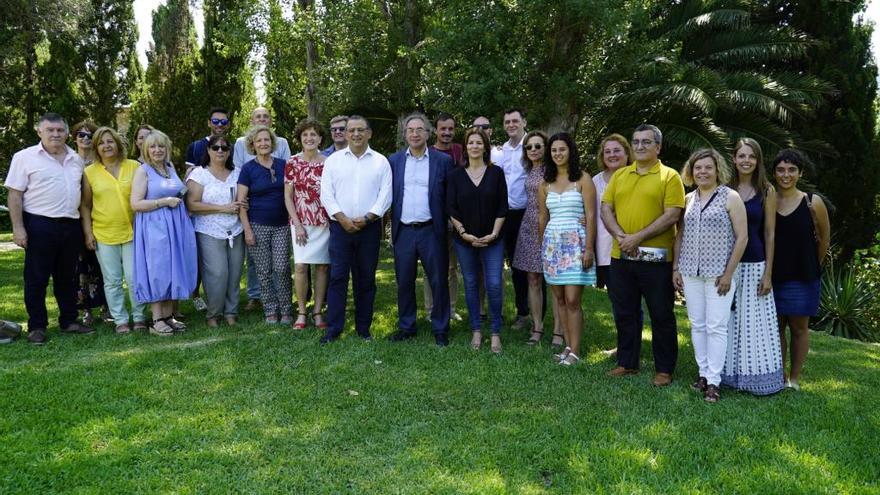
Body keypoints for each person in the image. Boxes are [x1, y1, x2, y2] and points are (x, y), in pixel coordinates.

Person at [601, 124, 685, 386]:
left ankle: (664, 369)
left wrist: (637, 237)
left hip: (656, 258)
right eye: (636, 141)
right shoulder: (620, 175)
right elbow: (606, 208)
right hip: (622, 256)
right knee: (624, 311)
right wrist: (621, 237)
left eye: (646, 142)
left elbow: (672, 214)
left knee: (661, 314)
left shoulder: (670, 177)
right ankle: (627, 363)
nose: (639, 146)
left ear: (658, 147)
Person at [5, 113, 94, 344]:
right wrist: (18, 228)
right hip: (39, 224)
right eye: (50, 130)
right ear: (40, 132)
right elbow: (15, 194)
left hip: (70, 225)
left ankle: (69, 320)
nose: (55, 134)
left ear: (66, 133)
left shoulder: (76, 159)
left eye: (60, 130)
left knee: (68, 278)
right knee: (36, 278)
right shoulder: (24, 157)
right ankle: (37, 326)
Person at [672, 149, 748, 402]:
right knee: (698, 324)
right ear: (691, 172)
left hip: (719, 275)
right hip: (691, 272)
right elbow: (680, 235)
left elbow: (742, 238)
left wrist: (729, 273)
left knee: (716, 327)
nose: (702, 172)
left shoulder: (730, 197)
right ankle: (703, 373)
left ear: (717, 170)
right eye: (698, 168)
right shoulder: (689, 198)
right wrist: (676, 268)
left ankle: (714, 381)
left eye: (708, 167)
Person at [319, 115, 392, 343]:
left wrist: (368, 218)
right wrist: (342, 219)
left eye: (361, 130)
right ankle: (334, 330)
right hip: (340, 228)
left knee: (366, 279)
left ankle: (363, 329)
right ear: (346, 133)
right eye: (352, 130)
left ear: (369, 133)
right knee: (338, 278)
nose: (356, 134)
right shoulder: (333, 161)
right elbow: (326, 194)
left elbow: (385, 195)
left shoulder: (381, 162)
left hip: (369, 229)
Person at [722, 138, 784, 395]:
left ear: (758, 161)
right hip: (727, 265)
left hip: (755, 264)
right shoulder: (724, 188)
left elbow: (770, 234)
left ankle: (756, 376)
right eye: (741, 156)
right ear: (734, 159)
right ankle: (725, 375)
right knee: (727, 320)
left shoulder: (767, 191)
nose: (746, 161)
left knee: (755, 322)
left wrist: (768, 272)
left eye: (751, 156)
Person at [388, 112, 454, 346]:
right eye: (410, 130)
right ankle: (407, 326)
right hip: (404, 230)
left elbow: (449, 197)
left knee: (438, 280)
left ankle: (440, 327)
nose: (414, 134)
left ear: (428, 133)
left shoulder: (443, 161)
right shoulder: (394, 161)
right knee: (404, 280)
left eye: (419, 130)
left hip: (431, 230)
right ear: (405, 134)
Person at [772, 149, 830, 391]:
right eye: (781, 170)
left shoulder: (812, 201)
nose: (786, 175)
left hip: (803, 276)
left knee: (798, 328)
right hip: (772, 276)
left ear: (800, 173)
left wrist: (812, 265)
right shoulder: (768, 199)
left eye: (792, 170)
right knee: (775, 330)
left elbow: (824, 239)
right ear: (774, 173)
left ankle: (793, 379)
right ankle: (778, 375)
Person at [80, 126, 147, 334]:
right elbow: (85, 205)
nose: (106, 146)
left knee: (135, 277)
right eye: (101, 143)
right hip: (103, 233)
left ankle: (139, 316)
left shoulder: (134, 166)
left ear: (117, 143)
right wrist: (88, 233)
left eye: (110, 141)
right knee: (112, 280)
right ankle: (120, 320)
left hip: (133, 231)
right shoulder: (90, 172)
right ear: (96, 148)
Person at [130, 130, 197, 336]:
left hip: (175, 225)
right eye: (152, 146)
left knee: (172, 269)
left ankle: (169, 316)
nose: (157, 150)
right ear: (145, 149)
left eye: (161, 146)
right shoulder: (143, 171)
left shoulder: (169, 168)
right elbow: (135, 203)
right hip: (154, 227)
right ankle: (157, 319)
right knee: (158, 271)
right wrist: (163, 202)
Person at [538, 133, 597, 366]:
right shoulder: (545, 183)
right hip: (552, 247)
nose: (558, 154)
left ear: (570, 151)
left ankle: (576, 351)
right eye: (553, 150)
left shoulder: (582, 178)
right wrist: (543, 248)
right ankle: (567, 347)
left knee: (573, 299)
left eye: (562, 149)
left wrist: (589, 248)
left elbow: (591, 215)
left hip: (577, 245)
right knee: (559, 298)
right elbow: (543, 217)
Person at [447, 127, 508, 353]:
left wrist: (493, 234)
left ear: (485, 147)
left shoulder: (497, 173)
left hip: (494, 239)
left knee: (493, 284)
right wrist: (463, 233)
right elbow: (451, 207)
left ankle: (494, 332)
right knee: (471, 284)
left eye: (479, 143)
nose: (474, 146)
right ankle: (476, 330)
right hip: (465, 241)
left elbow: (503, 206)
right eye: (471, 143)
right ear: (465, 147)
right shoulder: (455, 175)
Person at [231, 107, 292, 311]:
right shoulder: (248, 169)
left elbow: (291, 194)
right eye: (259, 141)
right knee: (264, 270)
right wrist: (247, 229)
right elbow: (241, 202)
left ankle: (285, 308)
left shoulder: (284, 165)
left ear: (272, 143)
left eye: (266, 140)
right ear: (252, 145)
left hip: (282, 224)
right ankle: (270, 309)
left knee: (282, 268)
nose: (263, 143)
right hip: (257, 225)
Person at [186, 134, 246, 327]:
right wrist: (223, 208)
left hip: (235, 230)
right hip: (209, 230)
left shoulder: (238, 172)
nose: (220, 151)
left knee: (235, 273)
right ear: (208, 150)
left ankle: (231, 312)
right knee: (217, 273)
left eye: (224, 147)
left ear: (230, 152)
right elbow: (192, 205)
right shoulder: (199, 174)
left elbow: (244, 198)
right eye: (215, 147)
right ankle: (213, 314)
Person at [513, 131, 562, 346]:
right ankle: (537, 327)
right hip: (528, 226)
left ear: (546, 147)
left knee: (554, 281)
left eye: (537, 146)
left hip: (551, 225)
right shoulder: (528, 169)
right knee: (533, 279)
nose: (533, 150)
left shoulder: (553, 170)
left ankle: (559, 331)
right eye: (529, 147)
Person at [284, 119, 330, 330]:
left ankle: (318, 311)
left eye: (314, 134)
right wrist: (297, 224)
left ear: (320, 138)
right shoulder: (292, 162)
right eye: (305, 135)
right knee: (301, 266)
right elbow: (288, 197)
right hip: (300, 221)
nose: (309, 138)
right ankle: (302, 312)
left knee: (322, 267)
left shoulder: (329, 162)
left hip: (323, 221)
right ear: (300, 139)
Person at [490, 109, 531, 330]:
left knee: (525, 267)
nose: (511, 124)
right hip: (502, 215)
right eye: (507, 121)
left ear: (524, 122)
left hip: (526, 214)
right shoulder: (499, 152)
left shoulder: (533, 146)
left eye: (515, 120)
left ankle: (529, 314)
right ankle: (517, 312)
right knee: (503, 266)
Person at [423, 112, 463, 322]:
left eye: (450, 129)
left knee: (452, 268)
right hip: (434, 219)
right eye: (443, 129)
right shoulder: (428, 154)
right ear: (435, 131)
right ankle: (431, 310)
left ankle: (451, 308)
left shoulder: (459, 151)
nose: (447, 133)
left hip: (457, 220)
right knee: (434, 266)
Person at [71, 120, 109, 327]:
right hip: (75, 221)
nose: (85, 139)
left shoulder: (102, 163)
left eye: (89, 135)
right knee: (80, 269)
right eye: (81, 135)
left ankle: (106, 308)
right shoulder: (68, 161)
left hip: (101, 219)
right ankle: (85, 310)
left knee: (104, 266)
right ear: (75, 138)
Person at [593, 134, 633, 289]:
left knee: (631, 298)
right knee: (616, 297)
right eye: (607, 152)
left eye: (617, 150)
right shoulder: (595, 181)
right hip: (604, 248)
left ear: (627, 153)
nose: (612, 155)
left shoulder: (636, 176)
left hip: (631, 244)